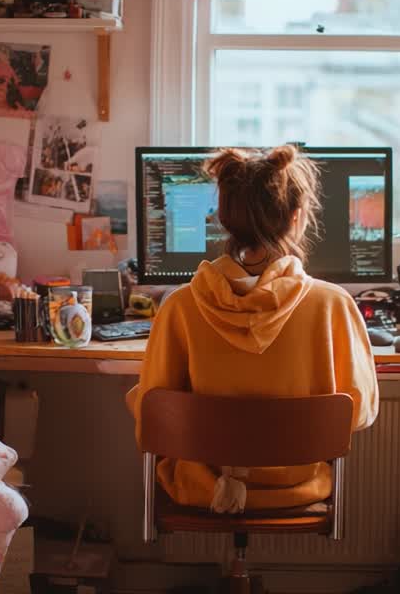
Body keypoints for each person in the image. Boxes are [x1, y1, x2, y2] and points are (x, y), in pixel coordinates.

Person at [126, 144, 379, 513]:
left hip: (201, 488)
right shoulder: (333, 305)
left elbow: (154, 416)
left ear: (222, 219)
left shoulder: (179, 306)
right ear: (297, 217)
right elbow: (358, 413)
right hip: (299, 486)